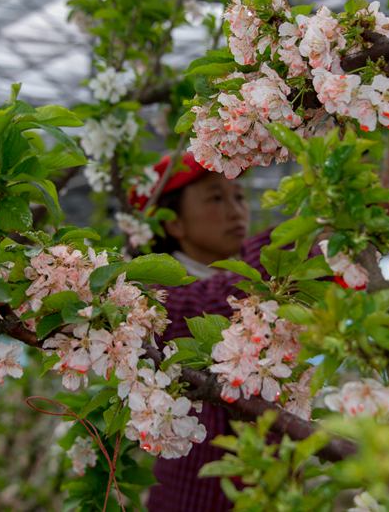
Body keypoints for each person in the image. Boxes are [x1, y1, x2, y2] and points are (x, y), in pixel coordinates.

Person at [131, 152, 270, 512]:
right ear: (174, 223)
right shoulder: (158, 297)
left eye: (239, 196)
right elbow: (216, 299)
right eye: (215, 197)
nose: (236, 210)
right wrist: (323, 224)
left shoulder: (245, 282)